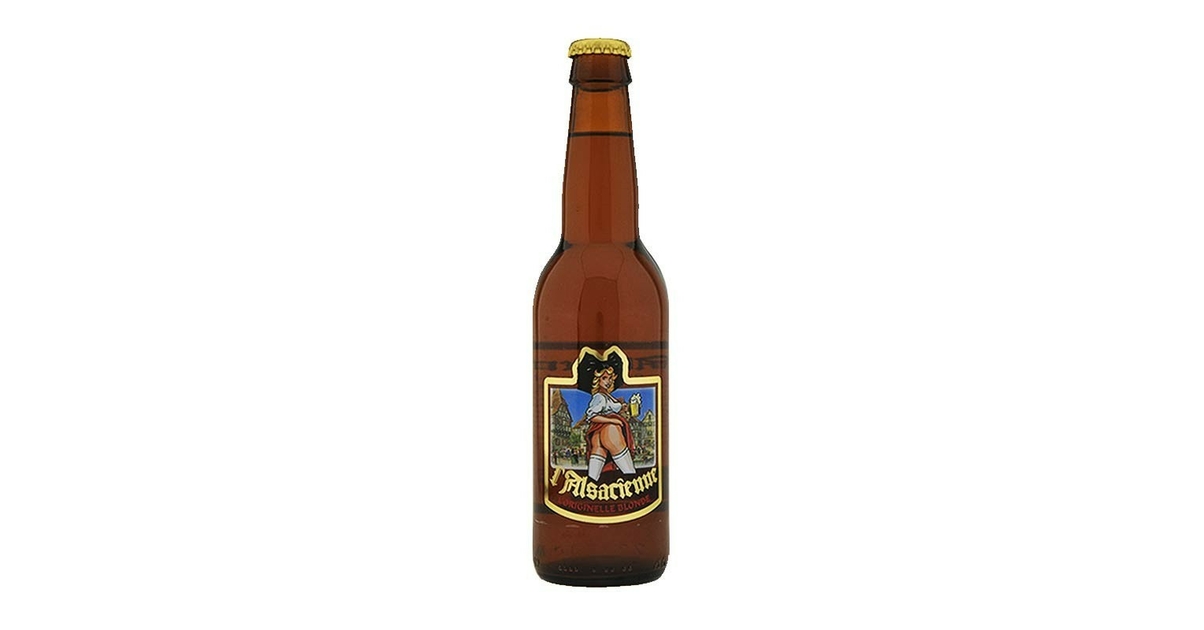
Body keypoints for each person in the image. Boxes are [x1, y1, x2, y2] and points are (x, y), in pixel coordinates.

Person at [580, 366, 637, 481]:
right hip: (610, 431)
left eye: (610, 378)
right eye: (604, 378)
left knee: (593, 477)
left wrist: (623, 407)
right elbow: (592, 416)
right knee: (629, 472)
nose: (608, 381)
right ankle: (632, 482)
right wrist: (612, 420)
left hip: (598, 435)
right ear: (597, 380)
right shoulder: (599, 397)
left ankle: (590, 486)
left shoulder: (606, 395)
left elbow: (611, 408)